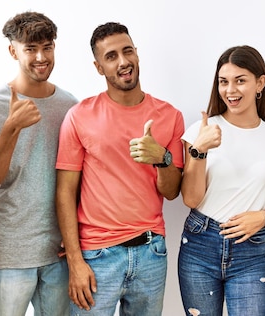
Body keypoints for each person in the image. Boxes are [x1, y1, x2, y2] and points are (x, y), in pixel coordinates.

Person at [55, 22, 185, 316]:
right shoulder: (79, 116)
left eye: (128, 52)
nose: (123, 61)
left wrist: (161, 157)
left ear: (137, 54)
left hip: (151, 251)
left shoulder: (169, 116)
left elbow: (172, 191)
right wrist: (75, 261)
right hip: (96, 255)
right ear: (99, 67)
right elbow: (65, 192)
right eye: (111, 56)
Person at [0, 11, 78, 316]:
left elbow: (79, 180)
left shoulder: (71, 106)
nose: (41, 57)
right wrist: (11, 129)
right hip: (10, 252)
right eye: (30, 49)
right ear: (13, 50)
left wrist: (76, 236)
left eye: (48, 47)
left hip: (60, 252)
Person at [178, 45, 265, 316]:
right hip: (200, 245)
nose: (230, 90)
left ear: (260, 83)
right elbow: (191, 199)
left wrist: (262, 217)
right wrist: (199, 150)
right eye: (223, 82)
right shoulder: (201, 130)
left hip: (252, 252)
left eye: (240, 80)